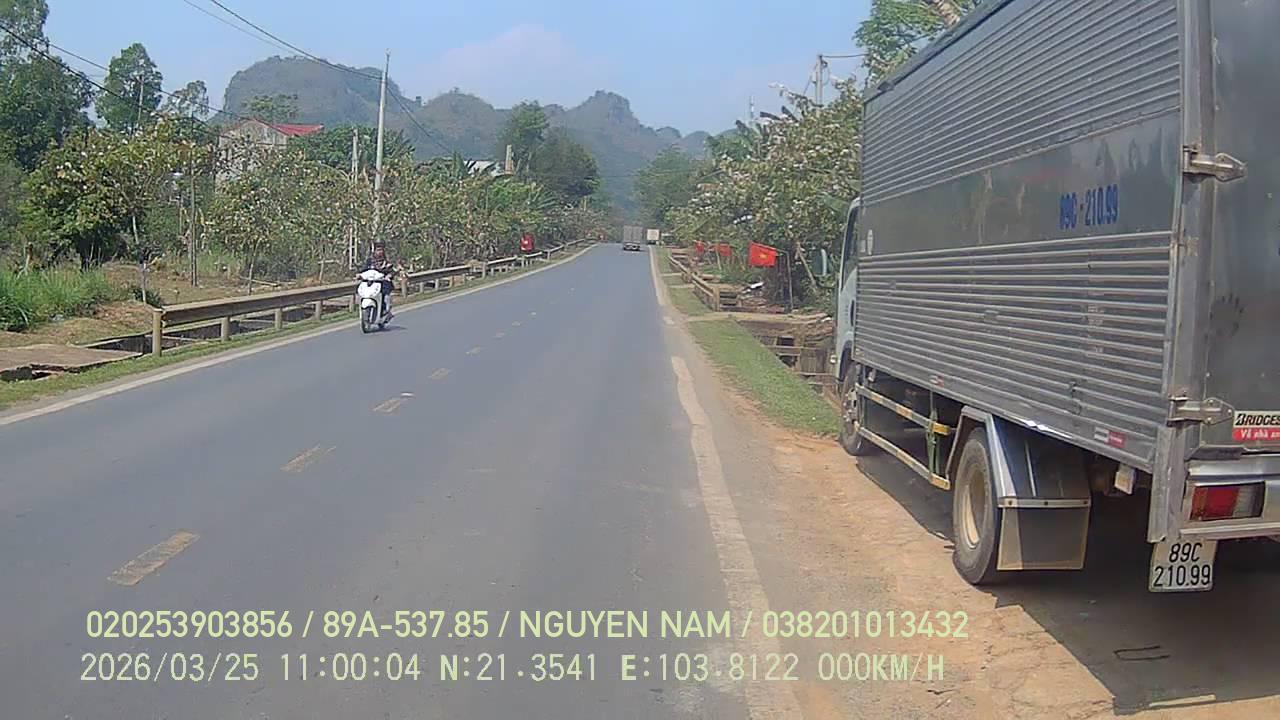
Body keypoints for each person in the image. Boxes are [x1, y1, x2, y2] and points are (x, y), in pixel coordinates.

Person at [360, 242, 399, 319]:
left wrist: (389, 275)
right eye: (378, 250)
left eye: (381, 250)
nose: (379, 252)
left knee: (385, 295)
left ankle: (385, 310)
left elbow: (393, 270)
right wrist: (359, 274)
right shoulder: (370, 261)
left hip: (383, 283)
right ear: (374, 251)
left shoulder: (386, 261)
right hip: (372, 283)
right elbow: (364, 269)